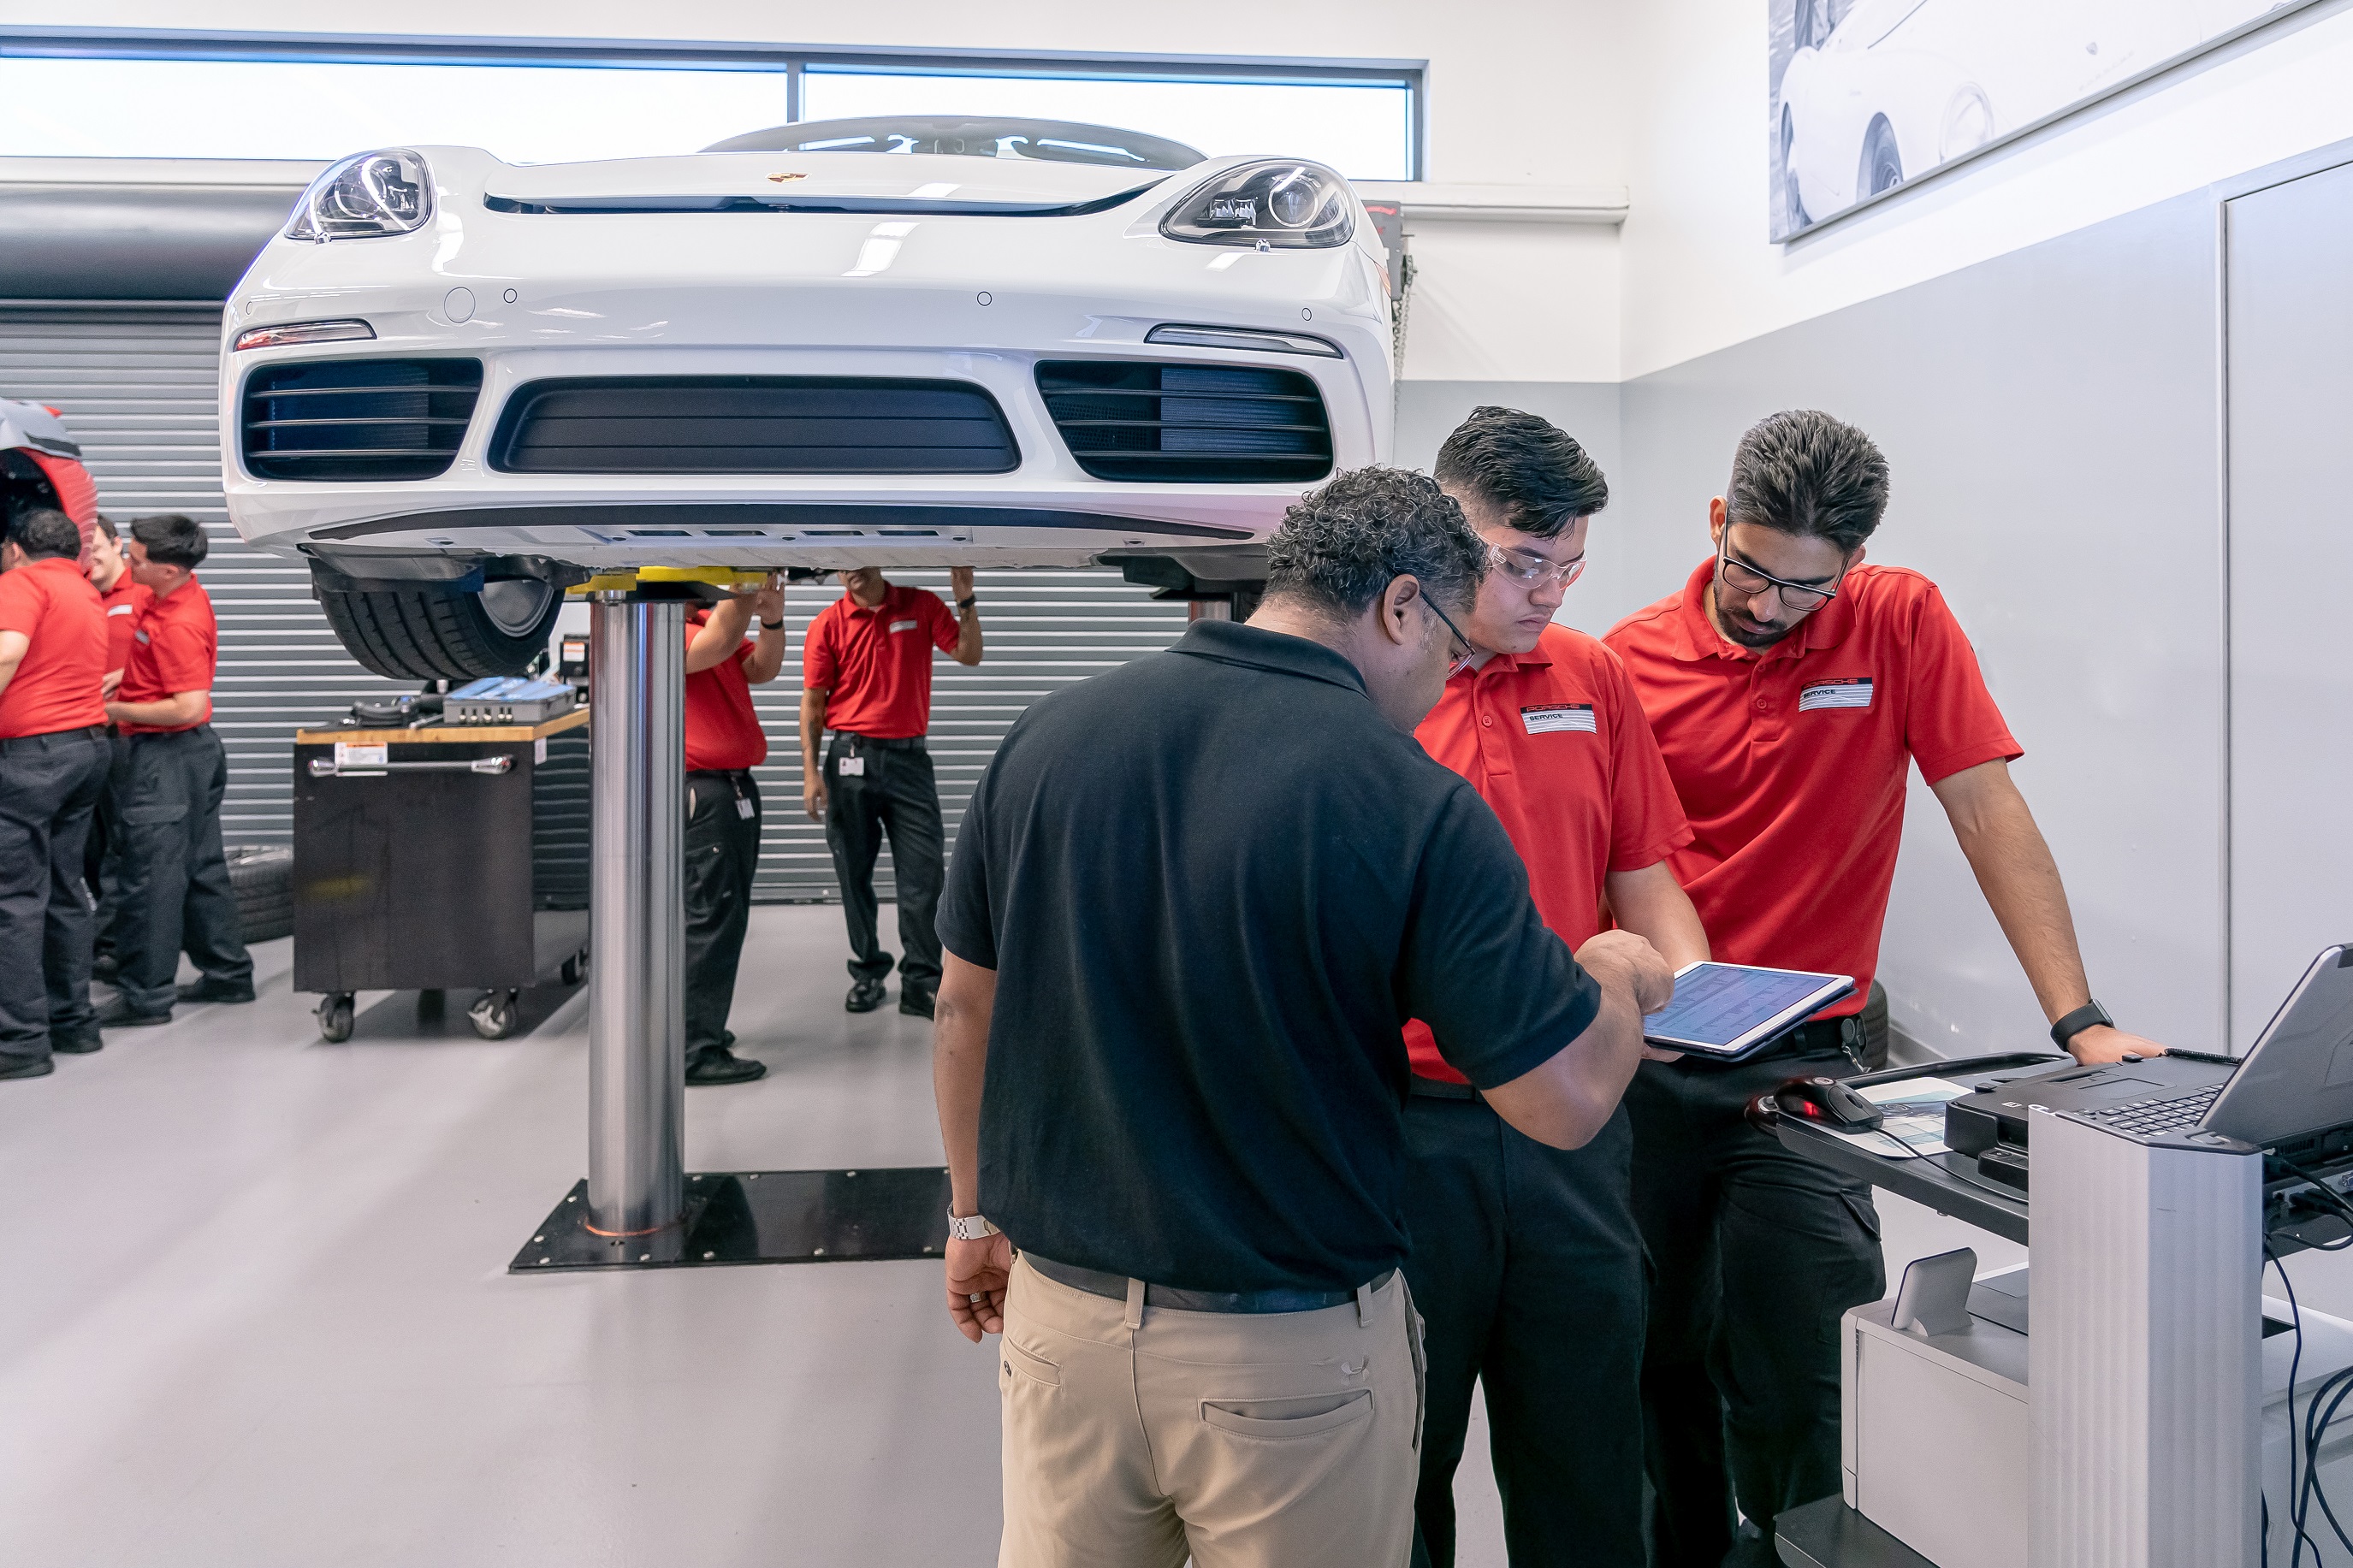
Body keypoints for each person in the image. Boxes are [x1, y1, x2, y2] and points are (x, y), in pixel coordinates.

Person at [930, 467, 1675, 1568]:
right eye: (1449, 650)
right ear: (1401, 606)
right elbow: (1560, 1101)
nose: (1443, 683)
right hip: (1283, 1366)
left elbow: (963, 1007)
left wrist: (969, 1219)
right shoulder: (1408, 798)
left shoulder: (1048, 738)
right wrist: (1615, 972)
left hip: (1059, 1331)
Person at [1602, 410, 2167, 1565]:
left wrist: (2080, 1018)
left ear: (1851, 565)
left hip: (1805, 1060)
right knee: (1656, 1360)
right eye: (1749, 570)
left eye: (1804, 588)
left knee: (1811, 1356)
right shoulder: (1624, 660)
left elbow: (1983, 809)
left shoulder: (1898, 620)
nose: (1768, 606)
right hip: (1653, 1065)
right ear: (1716, 522)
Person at [1402, 410, 1710, 1568]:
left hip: (1575, 1128)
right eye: (1518, 562)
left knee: (1587, 1455)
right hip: (1404, 1130)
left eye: (1567, 565)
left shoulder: (1590, 676)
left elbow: (1645, 877)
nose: (1546, 593)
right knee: (1401, 1461)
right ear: (1440, 537)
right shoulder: (1372, 684)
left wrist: (1690, 990)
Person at [799, 565, 981, 1019]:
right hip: (848, 760)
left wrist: (966, 599)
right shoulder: (827, 623)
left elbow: (969, 654)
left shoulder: (921, 606)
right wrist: (810, 773)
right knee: (853, 874)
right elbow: (814, 702)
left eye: (857, 558)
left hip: (909, 762)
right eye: (840, 563)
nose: (849, 571)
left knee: (923, 873)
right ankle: (867, 973)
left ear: (876, 559)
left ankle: (921, 980)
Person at [96, 513, 252, 1027]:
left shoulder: (179, 623)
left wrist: (115, 710)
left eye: (135, 559)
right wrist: (127, 678)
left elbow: (187, 707)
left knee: (150, 878)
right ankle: (228, 975)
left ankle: (145, 997)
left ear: (166, 569)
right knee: (201, 869)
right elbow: (158, 671)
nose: (126, 562)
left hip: (167, 757)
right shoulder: (170, 596)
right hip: (189, 757)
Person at [0, 507, 111, 1078]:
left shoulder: (20, 582)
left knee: (13, 898)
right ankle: (74, 1023)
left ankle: (20, 1043)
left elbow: (7, 649)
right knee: (66, 887)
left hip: (31, 759)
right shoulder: (84, 589)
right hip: (86, 749)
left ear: (16, 549)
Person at [681, 576, 788, 1086]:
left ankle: (703, 1032)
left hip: (736, 788)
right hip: (706, 794)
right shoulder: (659, 632)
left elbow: (762, 667)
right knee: (710, 919)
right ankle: (693, 1050)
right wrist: (749, 575)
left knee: (726, 915)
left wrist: (772, 616)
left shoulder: (707, 623)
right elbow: (722, 640)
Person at [84, 514, 146, 982]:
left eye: (97, 546)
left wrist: (128, 680)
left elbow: (179, 656)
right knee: (92, 847)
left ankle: (112, 946)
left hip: (136, 740)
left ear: (117, 544)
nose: (91, 557)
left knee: (123, 849)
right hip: (87, 740)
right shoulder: (81, 596)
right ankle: (109, 938)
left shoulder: (145, 591)